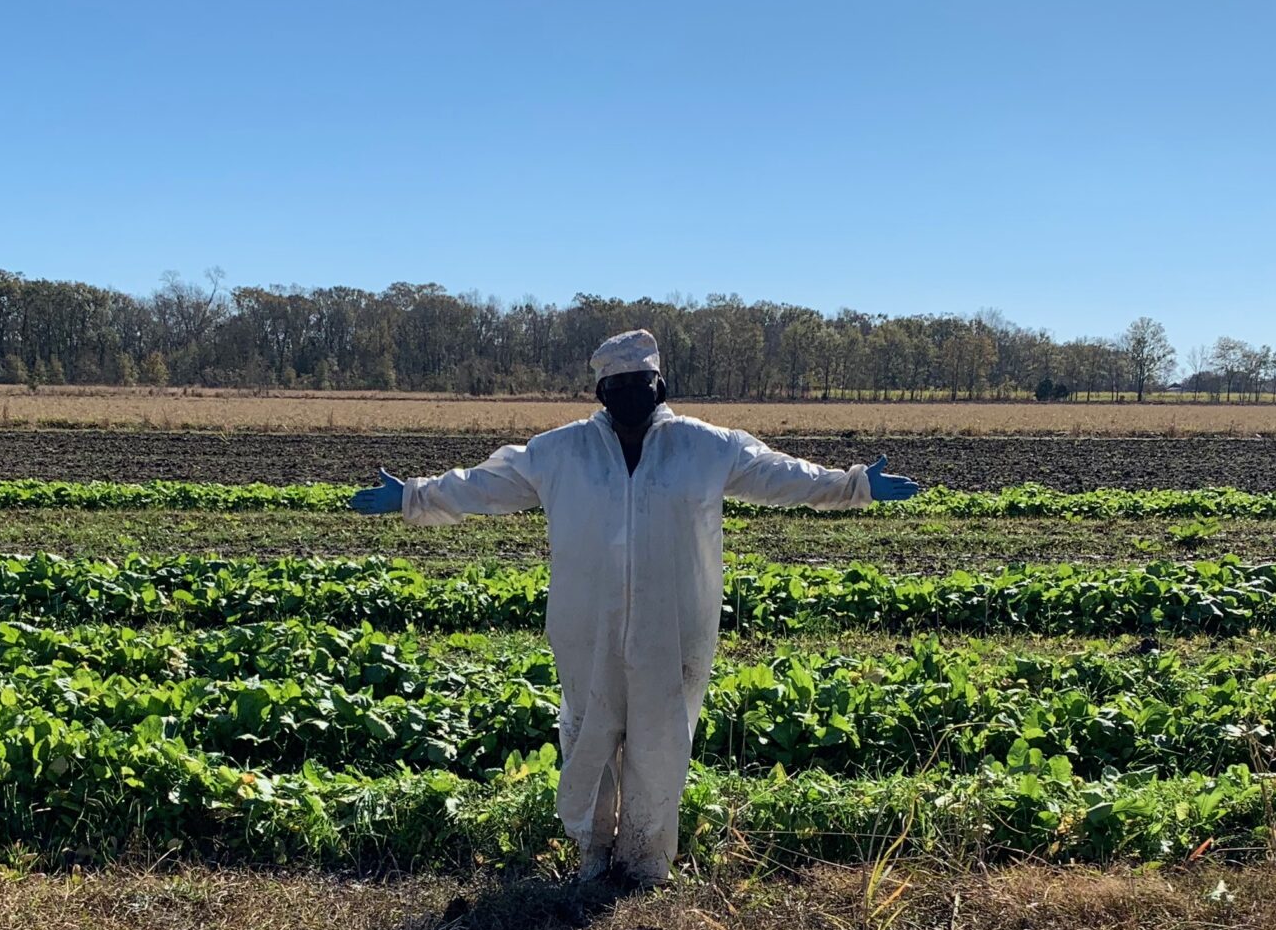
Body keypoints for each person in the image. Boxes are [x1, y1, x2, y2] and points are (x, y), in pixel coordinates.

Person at [352, 329, 917, 886]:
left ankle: (645, 864)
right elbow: (483, 485)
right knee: (589, 737)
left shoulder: (706, 447)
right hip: (586, 626)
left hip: (675, 627)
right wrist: (412, 496)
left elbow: (782, 475)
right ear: (601, 392)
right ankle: (592, 859)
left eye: (640, 381)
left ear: (660, 383)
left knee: (661, 742)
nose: (630, 392)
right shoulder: (560, 452)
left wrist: (853, 484)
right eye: (618, 383)